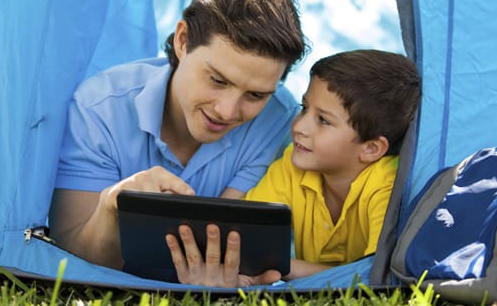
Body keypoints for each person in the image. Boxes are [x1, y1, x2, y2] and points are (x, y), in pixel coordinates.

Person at [48, 0, 308, 278]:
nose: (227, 111)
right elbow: (68, 256)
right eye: (217, 80)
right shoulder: (99, 109)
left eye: (255, 94)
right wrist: (111, 208)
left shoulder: (278, 119)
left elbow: (230, 245)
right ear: (183, 41)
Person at [166, 49, 422, 286]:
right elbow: (243, 237)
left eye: (323, 120)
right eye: (304, 108)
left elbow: (380, 276)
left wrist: (285, 267)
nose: (299, 127)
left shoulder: (387, 183)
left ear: (371, 149)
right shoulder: (293, 165)